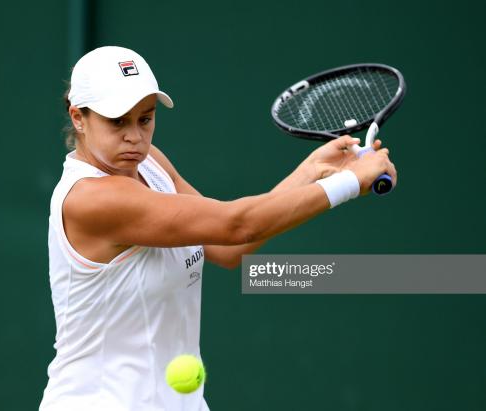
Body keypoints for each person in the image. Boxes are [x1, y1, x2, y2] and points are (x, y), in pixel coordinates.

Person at [39, 46, 396, 411]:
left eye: (145, 119)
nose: (135, 137)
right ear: (78, 118)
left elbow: (228, 250)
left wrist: (310, 173)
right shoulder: (92, 200)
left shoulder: (150, 165)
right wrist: (350, 182)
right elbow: (236, 225)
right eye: (117, 122)